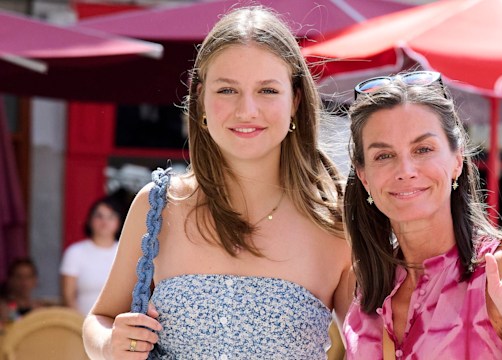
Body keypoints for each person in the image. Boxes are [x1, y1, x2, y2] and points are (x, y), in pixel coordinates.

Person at [82, 6, 352, 360]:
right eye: (227, 90)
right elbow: (100, 319)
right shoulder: (159, 206)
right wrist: (108, 344)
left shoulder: (338, 220)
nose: (247, 110)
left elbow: (377, 346)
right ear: (201, 97)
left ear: (295, 100)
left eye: (268, 90)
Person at [343, 71, 502, 359]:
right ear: (364, 177)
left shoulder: (501, 273)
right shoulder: (363, 283)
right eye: (384, 155)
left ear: (457, 162)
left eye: (423, 149)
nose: (406, 171)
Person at [60, 197, 122, 316]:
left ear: (118, 222)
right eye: (99, 216)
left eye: (111, 217)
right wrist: (83, 325)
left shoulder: (125, 252)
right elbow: (68, 296)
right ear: (90, 220)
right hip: (81, 325)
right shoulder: (75, 252)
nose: (104, 222)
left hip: (117, 326)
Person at [0, 258, 42, 324]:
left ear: (35, 280)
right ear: (10, 280)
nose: (24, 282)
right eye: (19, 277)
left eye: (28, 277)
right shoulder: (4, 308)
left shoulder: (40, 310)